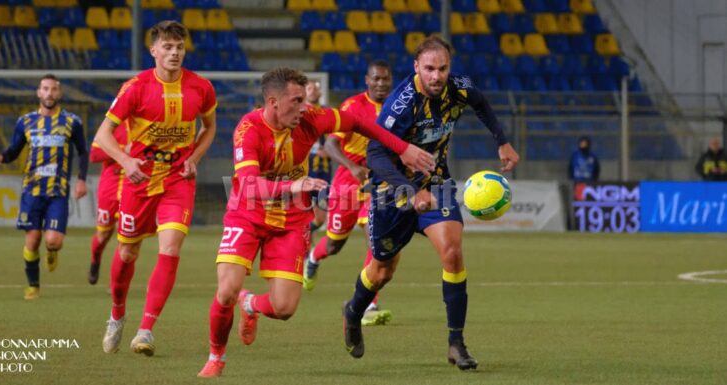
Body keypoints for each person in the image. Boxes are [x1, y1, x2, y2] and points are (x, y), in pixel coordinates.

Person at [197, 67, 435, 378]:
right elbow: (252, 187)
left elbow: (359, 123)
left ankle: (251, 304)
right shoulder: (249, 129)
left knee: (284, 309)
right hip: (248, 213)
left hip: (292, 219)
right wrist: (292, 187)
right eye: (296, 101)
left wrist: (402, 148)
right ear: (272, 102)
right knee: (226, 290)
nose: (303, 106)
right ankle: (216, 357)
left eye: (303, 99)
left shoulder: (311, 118)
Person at [340, 36, 519, 371]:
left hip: (436, 183)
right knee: (382, 270)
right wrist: (409, 190)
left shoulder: (459, 87)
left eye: (443, 68)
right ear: (416, 68)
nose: (437, 76)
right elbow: (374, 154)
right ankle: (353, 311)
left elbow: (481, 103)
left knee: (452, 251)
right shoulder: (400, 104)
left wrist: (502, 142)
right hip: (390, 192)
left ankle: (456, 343)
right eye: (429, 69)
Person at [94, 20, 218, 357]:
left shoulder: (201, 87)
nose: (174, 52)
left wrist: (195, 156)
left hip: (178, 179)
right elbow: (102, 136)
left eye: (179, 47)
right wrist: (125, 160)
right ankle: (117, 315)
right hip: (139, 181)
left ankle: (146, 330)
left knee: (171, 248)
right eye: (167, 47)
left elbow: (210, 127)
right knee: (127, 253)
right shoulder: (135, 88)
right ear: (154, 51)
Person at [303, 60, 394, 326]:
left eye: (385, 79)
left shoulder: (396, 108)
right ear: (367, 80)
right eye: (376, 79)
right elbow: (331, 146)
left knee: (376, 241)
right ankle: (313, 257)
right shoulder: (352, 107)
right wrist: (353, 167)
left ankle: (369, 305)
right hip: (347, 184)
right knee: (334, 244)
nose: (380, 84)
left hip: (378, 185)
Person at [0, 74, 88, 300]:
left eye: (53, 89)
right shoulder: (25, 121)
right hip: (31, 190)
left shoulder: (72, 121)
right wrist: (0, 158)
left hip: (58, 191)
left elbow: (83, 152)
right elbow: (14, 151)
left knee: (53, 241)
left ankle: (52, 252)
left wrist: (81, 179)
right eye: (45, 89)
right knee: (32, 241)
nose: (49, 93)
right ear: (38, 92)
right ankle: (33, 285)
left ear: (59, 93)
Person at [87, 124, 128, 285]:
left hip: (134, 187)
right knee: (103, 235)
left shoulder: (148, 123)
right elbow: (94, 155)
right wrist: (124, 150)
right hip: (110, 187)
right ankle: (95, 260)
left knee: (127, 240)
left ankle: (117, 285)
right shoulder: (113, 124)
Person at [305, 80, 332, 233]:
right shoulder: (300, 112)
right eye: (309, 88)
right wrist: (314, 149)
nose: (313, 91)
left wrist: (330, 150)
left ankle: (304, 236)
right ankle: (304, 252)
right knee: (305, 214)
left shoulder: (327, 112)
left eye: (316, 88)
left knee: (320, 218)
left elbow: (336, 136)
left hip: (324, 170)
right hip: (306, 170)